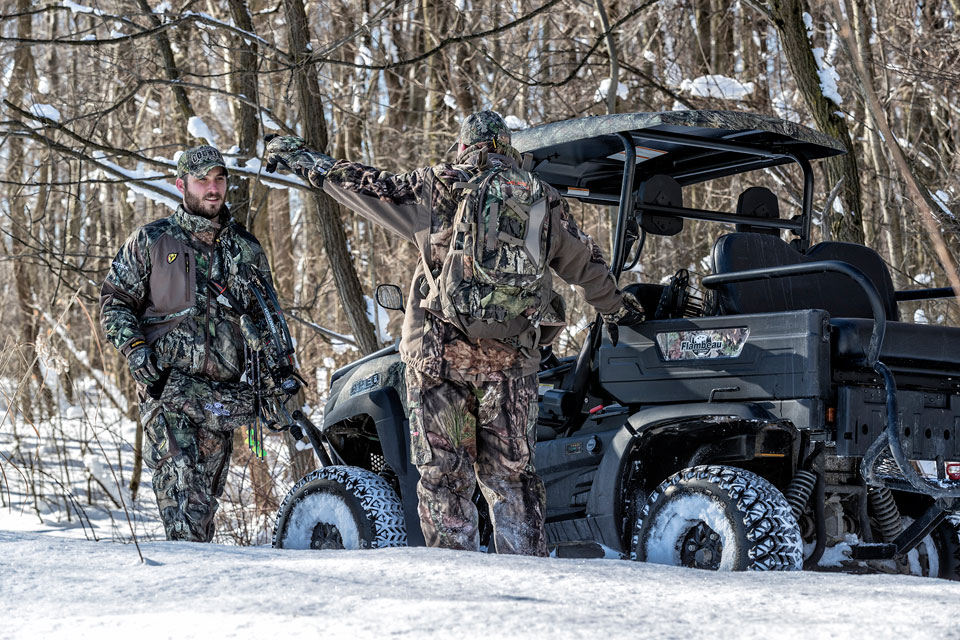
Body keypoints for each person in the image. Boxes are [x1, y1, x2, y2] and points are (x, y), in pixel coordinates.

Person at [264, 111, 644, 556]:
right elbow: (588, 265)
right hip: (511, 363)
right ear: (507, 148)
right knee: (512, 478)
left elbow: (363, 184)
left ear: (463, 147)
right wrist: (617, 311)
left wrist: (303, 158)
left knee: (445, 477)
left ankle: (459, 581)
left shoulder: (436, 186)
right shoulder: (541, 198)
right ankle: (530, 579)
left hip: (438, 360)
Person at [100, 145, 274, 542]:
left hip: (221, 401)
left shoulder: (246, 249)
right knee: (182, 513)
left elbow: (266, 319)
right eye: (202, 180)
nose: (213, 189)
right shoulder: (152, 240)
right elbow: (114, 302)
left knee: (202, 513)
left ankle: (194, 596)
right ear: (181, 185)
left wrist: (275, 376)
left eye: (219, 179)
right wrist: (136, 351)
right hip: (168, 392)